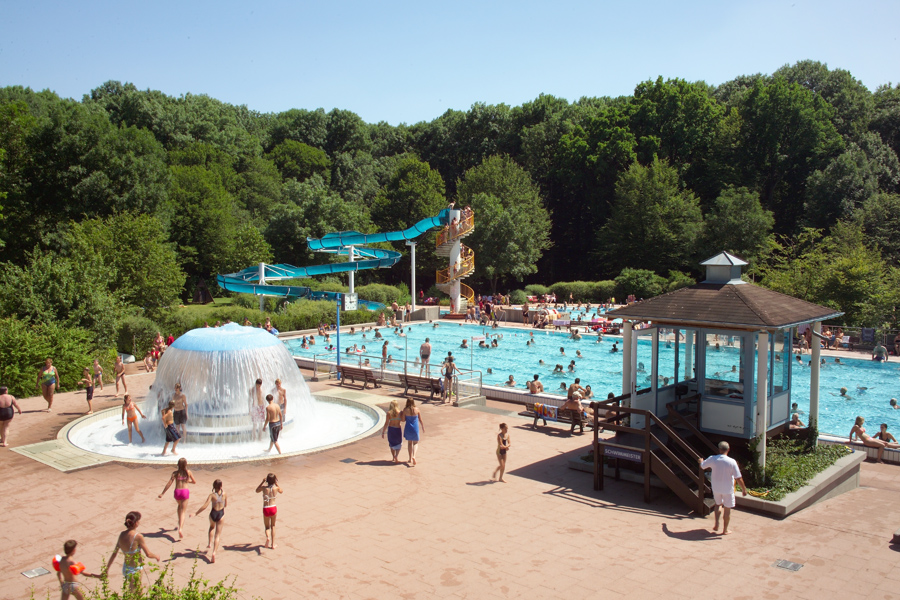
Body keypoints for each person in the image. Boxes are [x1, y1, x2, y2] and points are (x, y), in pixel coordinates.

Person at [698, 441, 748, 535]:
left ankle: (717, 523)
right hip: (728, 489)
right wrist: (744, 489)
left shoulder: (713, 458)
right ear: (728, 450)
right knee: (727, 509)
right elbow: (738, 477)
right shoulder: (732, 461)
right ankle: (725, 530)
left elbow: (702, 466)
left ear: (719, 449)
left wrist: (701, 461)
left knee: (718, 504)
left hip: (716, 487)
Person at [107, 511, 159, 593]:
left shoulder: (122, 534)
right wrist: (156, 556)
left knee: (133, 590)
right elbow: (148, 554)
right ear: (135, 523)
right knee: (137, 592)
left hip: (126, 568)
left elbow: (114, 553)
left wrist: (107, 569)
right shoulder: (138, 536)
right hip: (135, 569)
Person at [158, 457, 196, 539]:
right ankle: (180, 528)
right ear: (186, 464)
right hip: (185, 492)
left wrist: (162, 493)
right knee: (183, 511)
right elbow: (194, 482)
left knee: (179, 506)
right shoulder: (188, 472)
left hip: (177, 492)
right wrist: (187, 481)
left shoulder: (175, 473)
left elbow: (169, 483)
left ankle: (179, 521)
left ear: (178, 464)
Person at [191, 479, 227, 563]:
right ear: (221, 486)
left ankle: (209, 543)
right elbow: (226, 504)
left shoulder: (211, 495)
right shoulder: (224, 493)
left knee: (211, 527)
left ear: (214, 486)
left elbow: (205, 506)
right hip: (221, 513)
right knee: (217, 535)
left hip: (213, 513)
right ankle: (214, 552)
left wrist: (196, 513)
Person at [256, 473, 282, 549]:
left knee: (267, 527)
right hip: (273, 507)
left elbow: (257, 490)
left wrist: (262, 482)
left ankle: (268, 537)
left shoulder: (264, 488)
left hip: (266, 507)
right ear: (274, 480)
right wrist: (276, 484)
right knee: (273, 525)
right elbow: (281, 491)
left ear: (267, 480)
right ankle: (273, 544)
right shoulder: (275, 488)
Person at [402, 397, 424, 466]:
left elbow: (403, 420)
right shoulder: (417, 410)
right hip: (415, 428)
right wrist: (423, 427)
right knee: (415, 443)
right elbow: (420, 419)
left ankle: (409, 458)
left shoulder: (405, 410)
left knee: (409, 443)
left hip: (408, 428)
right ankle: (414, 456)